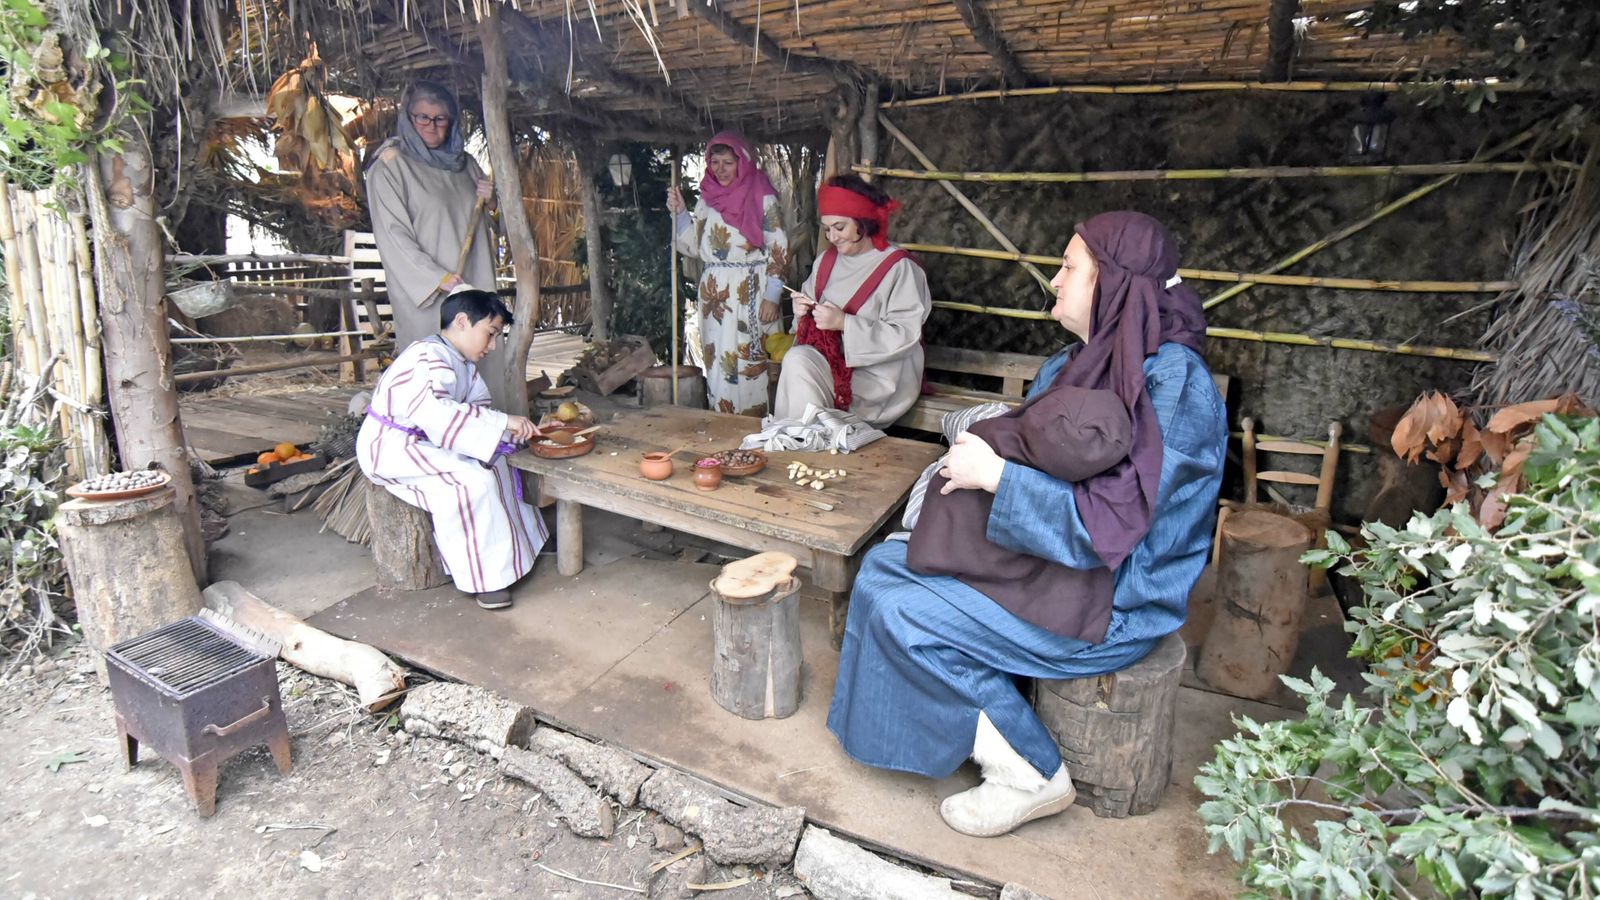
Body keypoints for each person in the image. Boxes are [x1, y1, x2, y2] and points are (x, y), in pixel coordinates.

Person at [826, 211, 1226, 837]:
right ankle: (965, 715)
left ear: (1116, 282)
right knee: (883, 564)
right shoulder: (1078, 361)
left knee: (904, 609)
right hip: (1051, 572)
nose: (1055, 281)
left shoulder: (1173, 383)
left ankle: (1031, 773)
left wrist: (997, 478)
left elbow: (1118, 527)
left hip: (1113, 601)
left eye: (1071, 267)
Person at [355, 289, 547, 611]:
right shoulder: (427, 357)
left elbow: (474, 411)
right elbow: (439, 414)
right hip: (393, 447)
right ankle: (486, 580)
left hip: (425, 441)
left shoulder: (461, 362)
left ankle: (522, 547)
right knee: (472, 482)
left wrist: (506, 434)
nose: (493, 345)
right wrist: (503, 421)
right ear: (462, 321)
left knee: (501, 461)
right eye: (490, 333)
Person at [776, 175, 931, 428]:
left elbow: (906, 334)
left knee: (800, 365)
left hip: (880, 378)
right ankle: (806, 440)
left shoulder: (899, 267)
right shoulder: (825, 262)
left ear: (863, 222)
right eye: (827, 229)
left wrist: (845, 323)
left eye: (840, 227)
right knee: (796, 359)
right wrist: (801, 311)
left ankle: (813, 443)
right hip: (833, 365)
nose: (833, 237)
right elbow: (807, 322)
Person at [366, 80, 497, 353]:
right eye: (422, 117)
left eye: (440, 118)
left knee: (481, 368)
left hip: (474, 285)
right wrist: (436, 278)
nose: (431, 125)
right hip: (431, 297)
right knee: (436, 369)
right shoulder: (391, 167)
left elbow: (499, 226)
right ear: (408, 117)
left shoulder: (466, 165)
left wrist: (494, 203)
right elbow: (393, 236)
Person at [666, 132, 789, 415]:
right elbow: (695, 247)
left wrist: (772, 294)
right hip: (715, 296)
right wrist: (682, 212)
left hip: (752, 288)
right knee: (720, 361)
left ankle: (758, 428)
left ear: (742, 162)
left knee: (752, 362)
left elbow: (779, 244)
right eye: (715, 162)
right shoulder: (707, 198)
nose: (720, 169)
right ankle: (724, 425)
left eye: (728, 163)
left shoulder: (761, 193)